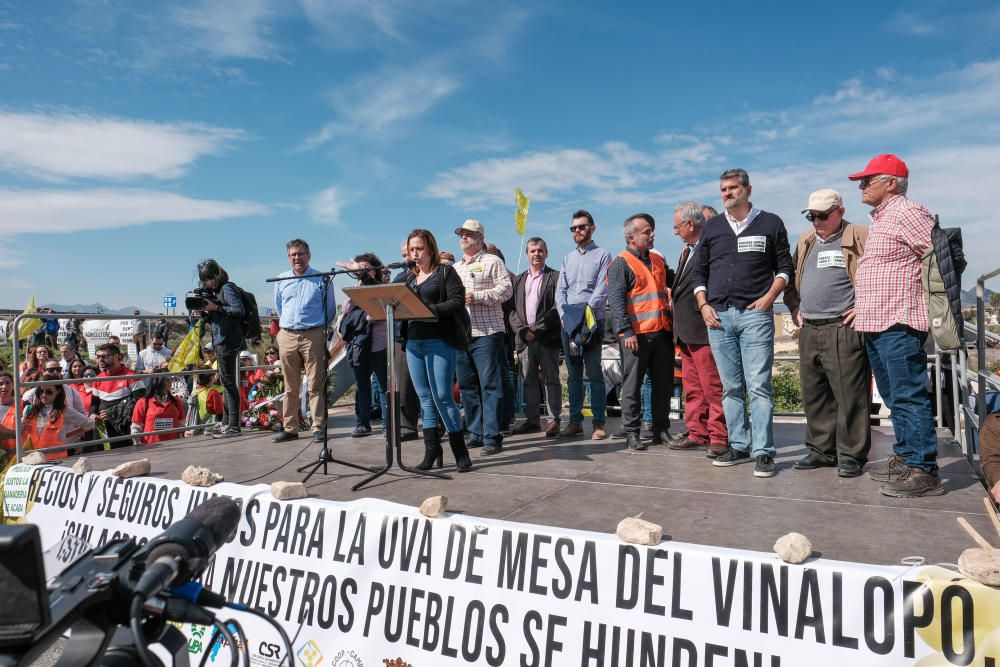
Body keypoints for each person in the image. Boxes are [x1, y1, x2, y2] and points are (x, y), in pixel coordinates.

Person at [849, 154, 944, 497]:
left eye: (867, 180)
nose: (861, 186)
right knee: (893, 395)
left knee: (907, 395)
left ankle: (924, 469)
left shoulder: (907, 211)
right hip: (877, 320)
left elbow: (938, 255)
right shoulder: (883, 217)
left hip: (899, 319)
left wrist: (938, 309)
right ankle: (906, 457)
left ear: (891, 183)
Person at [691, 168, 793, 478]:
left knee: (759, 385)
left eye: (733, 188)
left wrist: (768, 299)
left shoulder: (771, 223)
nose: (727, 194)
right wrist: (704, 305)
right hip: (719, 316)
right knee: (731, 387)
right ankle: (738, 444)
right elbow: (700, 273)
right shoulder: (713, 228)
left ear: (748, 190)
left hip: (756, 315)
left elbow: (785, 266)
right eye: (723, 189)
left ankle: (763, 451)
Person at [783, 189, 871, 478]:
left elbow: (879, 274)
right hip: (810, 327)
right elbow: (789, 281)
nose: (816, 221)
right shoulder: (806, 240)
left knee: (849, 394)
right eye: (812, 216)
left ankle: (851, 455)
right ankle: (821, 451)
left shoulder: (860, 235)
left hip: (842, 327)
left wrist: (863, 306)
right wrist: (795, 307)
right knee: (815, 394)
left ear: (840, 212)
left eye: (822, 215)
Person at [400, 229, 473, 472]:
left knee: (443, 396)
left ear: (430, 248)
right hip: (414, 343)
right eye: (412, 250)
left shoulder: (445, 273)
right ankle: (432, 452)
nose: (415, 253)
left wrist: (430, 309)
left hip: (439, 341)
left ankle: (460, 453)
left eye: (419, 248)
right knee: (425, 399)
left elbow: (457, 301)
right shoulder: (408, 278)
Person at [608, 214, 675, 451]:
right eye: (647, 232)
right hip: (636, 337)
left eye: (652, 231)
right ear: (631, 237)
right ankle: (632, 432)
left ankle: (661, 429)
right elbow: (616, 302)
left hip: (662, 333)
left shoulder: (658, 261)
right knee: (632, 385)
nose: (652, 234)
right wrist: (626, 332)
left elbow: (674, 285)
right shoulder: (620, 263)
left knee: (663, 384)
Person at [670, 201, 728, 457]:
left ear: (690, 224)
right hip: (686, 333)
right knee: (692, 388)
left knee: (712, 386)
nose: (675, 232)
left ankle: (718, 436)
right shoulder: (686, 252)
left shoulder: (713, 249)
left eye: (677, 226)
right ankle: (697, 432)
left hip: (703, 330)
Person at [453, 219, 513, 456]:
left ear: (480, 238)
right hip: (461, 335)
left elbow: (506, 290)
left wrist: (477, 296)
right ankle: (476, 433)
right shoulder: (455, 268)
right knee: (467, 386)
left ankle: (492, 436)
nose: (463, 237)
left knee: (489, 385)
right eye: (461, 234)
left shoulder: (492, 261)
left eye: (468, 234)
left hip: (487, 332)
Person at [555, 210, 612, 440]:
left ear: (592, 228)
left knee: (595, 373)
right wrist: (563, 314)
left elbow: (602, 288)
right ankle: (575, 422)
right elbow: (560, 290)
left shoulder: (603, 255)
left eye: (581, 226)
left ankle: (598, 422)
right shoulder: (567, 258)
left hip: (590, 323)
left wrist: (583, 313)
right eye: (573, 228)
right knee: (573, 375)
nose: (577, 231)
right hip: (569, 324)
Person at [273, 239, 336, 443]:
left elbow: (330, 311)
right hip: (288, 335)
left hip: (313, 334)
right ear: (288, 257)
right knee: (290, 386)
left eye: (301, 254)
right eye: (293, 255)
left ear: (309, 255)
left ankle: (317, 426)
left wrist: (315, 329)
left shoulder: (321, 279)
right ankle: (290, 428)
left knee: (315, 384)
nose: (297, 258)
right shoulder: (281, 279)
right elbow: (279, 307)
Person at [509, 237, 562, 436]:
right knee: (528, 381)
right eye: (532, 251)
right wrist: (522, 331)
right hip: (524, 340)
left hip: (547, 339)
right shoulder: (519, 279)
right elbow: (511, 310)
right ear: (527, 254)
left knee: (552, 380)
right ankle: (532, 420)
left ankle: (553, 420)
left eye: (540, 250)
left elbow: (558, 308)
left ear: (546, 253)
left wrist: (536, 330)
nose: (536, 254)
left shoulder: (555, 277)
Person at [337, 253, 389, 438]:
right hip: (359, 345)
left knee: (383, 385)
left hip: (378, 344)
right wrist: (355, 295)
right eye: (359, 268)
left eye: (366, 268)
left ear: (374, 270)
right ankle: (362, 423)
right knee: (361, 385)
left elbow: (378, 314)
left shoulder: (382, 288)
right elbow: (346, 310)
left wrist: (367, 315)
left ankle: (387, 425)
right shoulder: (357, 288)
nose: (362, 271)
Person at [196, 259, 246, 439]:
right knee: (226, 383)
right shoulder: (219, 291)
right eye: (205, 280)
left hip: (228, 342)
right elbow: (219, 319)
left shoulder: (227, 288)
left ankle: (233, 425)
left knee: (229, 384)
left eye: (209, 278)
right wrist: (206, 313)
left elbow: (238, 310)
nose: (208, 282)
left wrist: (215, 306)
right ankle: (226, 423)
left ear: (217, 275)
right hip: (222, 340)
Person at [391, 241, 422, 442]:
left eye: (410, 252)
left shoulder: (433, 273)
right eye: (404, 254)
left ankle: (437, 426)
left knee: (428, 387)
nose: (407, 258)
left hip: (426, 335)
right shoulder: (401, 277)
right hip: (401, 335)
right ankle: (407, 427)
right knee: (403, 386)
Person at [22, 375, 92, 459]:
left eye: (49, 392)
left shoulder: (65, 411)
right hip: (34, 459)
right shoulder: (29, 410)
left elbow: (89, 424)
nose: (44, 395)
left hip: (58, 460)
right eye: (41, 391)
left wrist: (68, 435)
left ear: (58, 391)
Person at [89, 344, 144, 448]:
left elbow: (140, 403)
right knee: (103, 458)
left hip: (124, 427)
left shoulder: (132, 376)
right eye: (98, 356)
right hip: (103, 428)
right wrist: (92, 414)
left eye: (104, 356)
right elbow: (94, 404)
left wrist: (113, 413)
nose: (100, 359)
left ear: (116, 356)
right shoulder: (98, 379)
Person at [131, 364, 186, 444]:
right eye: (167, 380)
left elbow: (182, 426)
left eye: (171, 379)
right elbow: (136, 429)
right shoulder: (143, 402)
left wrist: (185, 435)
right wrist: (138, 447)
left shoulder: (177, 401)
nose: (170, 382)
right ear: (158, 381)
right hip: (151, 449)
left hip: (174, 448)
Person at [0, 372, 18, 462]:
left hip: (19, 460)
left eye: (7, 383)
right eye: (1, 384)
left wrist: (5, 430)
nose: (4, 386)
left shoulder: (22, 404)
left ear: (13, 385)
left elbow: (29, 432)